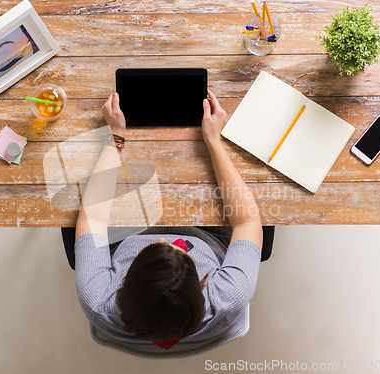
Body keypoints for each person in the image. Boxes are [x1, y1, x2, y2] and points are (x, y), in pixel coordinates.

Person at [74, 90, 262, 348]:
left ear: (123, 287)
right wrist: (213, 141)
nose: (164, 238)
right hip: (209, 237)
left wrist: (116, 137)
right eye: (175, 250)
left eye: (156, 247)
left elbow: (93, 219)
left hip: (126, 236)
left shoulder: (97, 299)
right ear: (201, 288)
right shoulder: (228, 297)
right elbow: (247, 223)